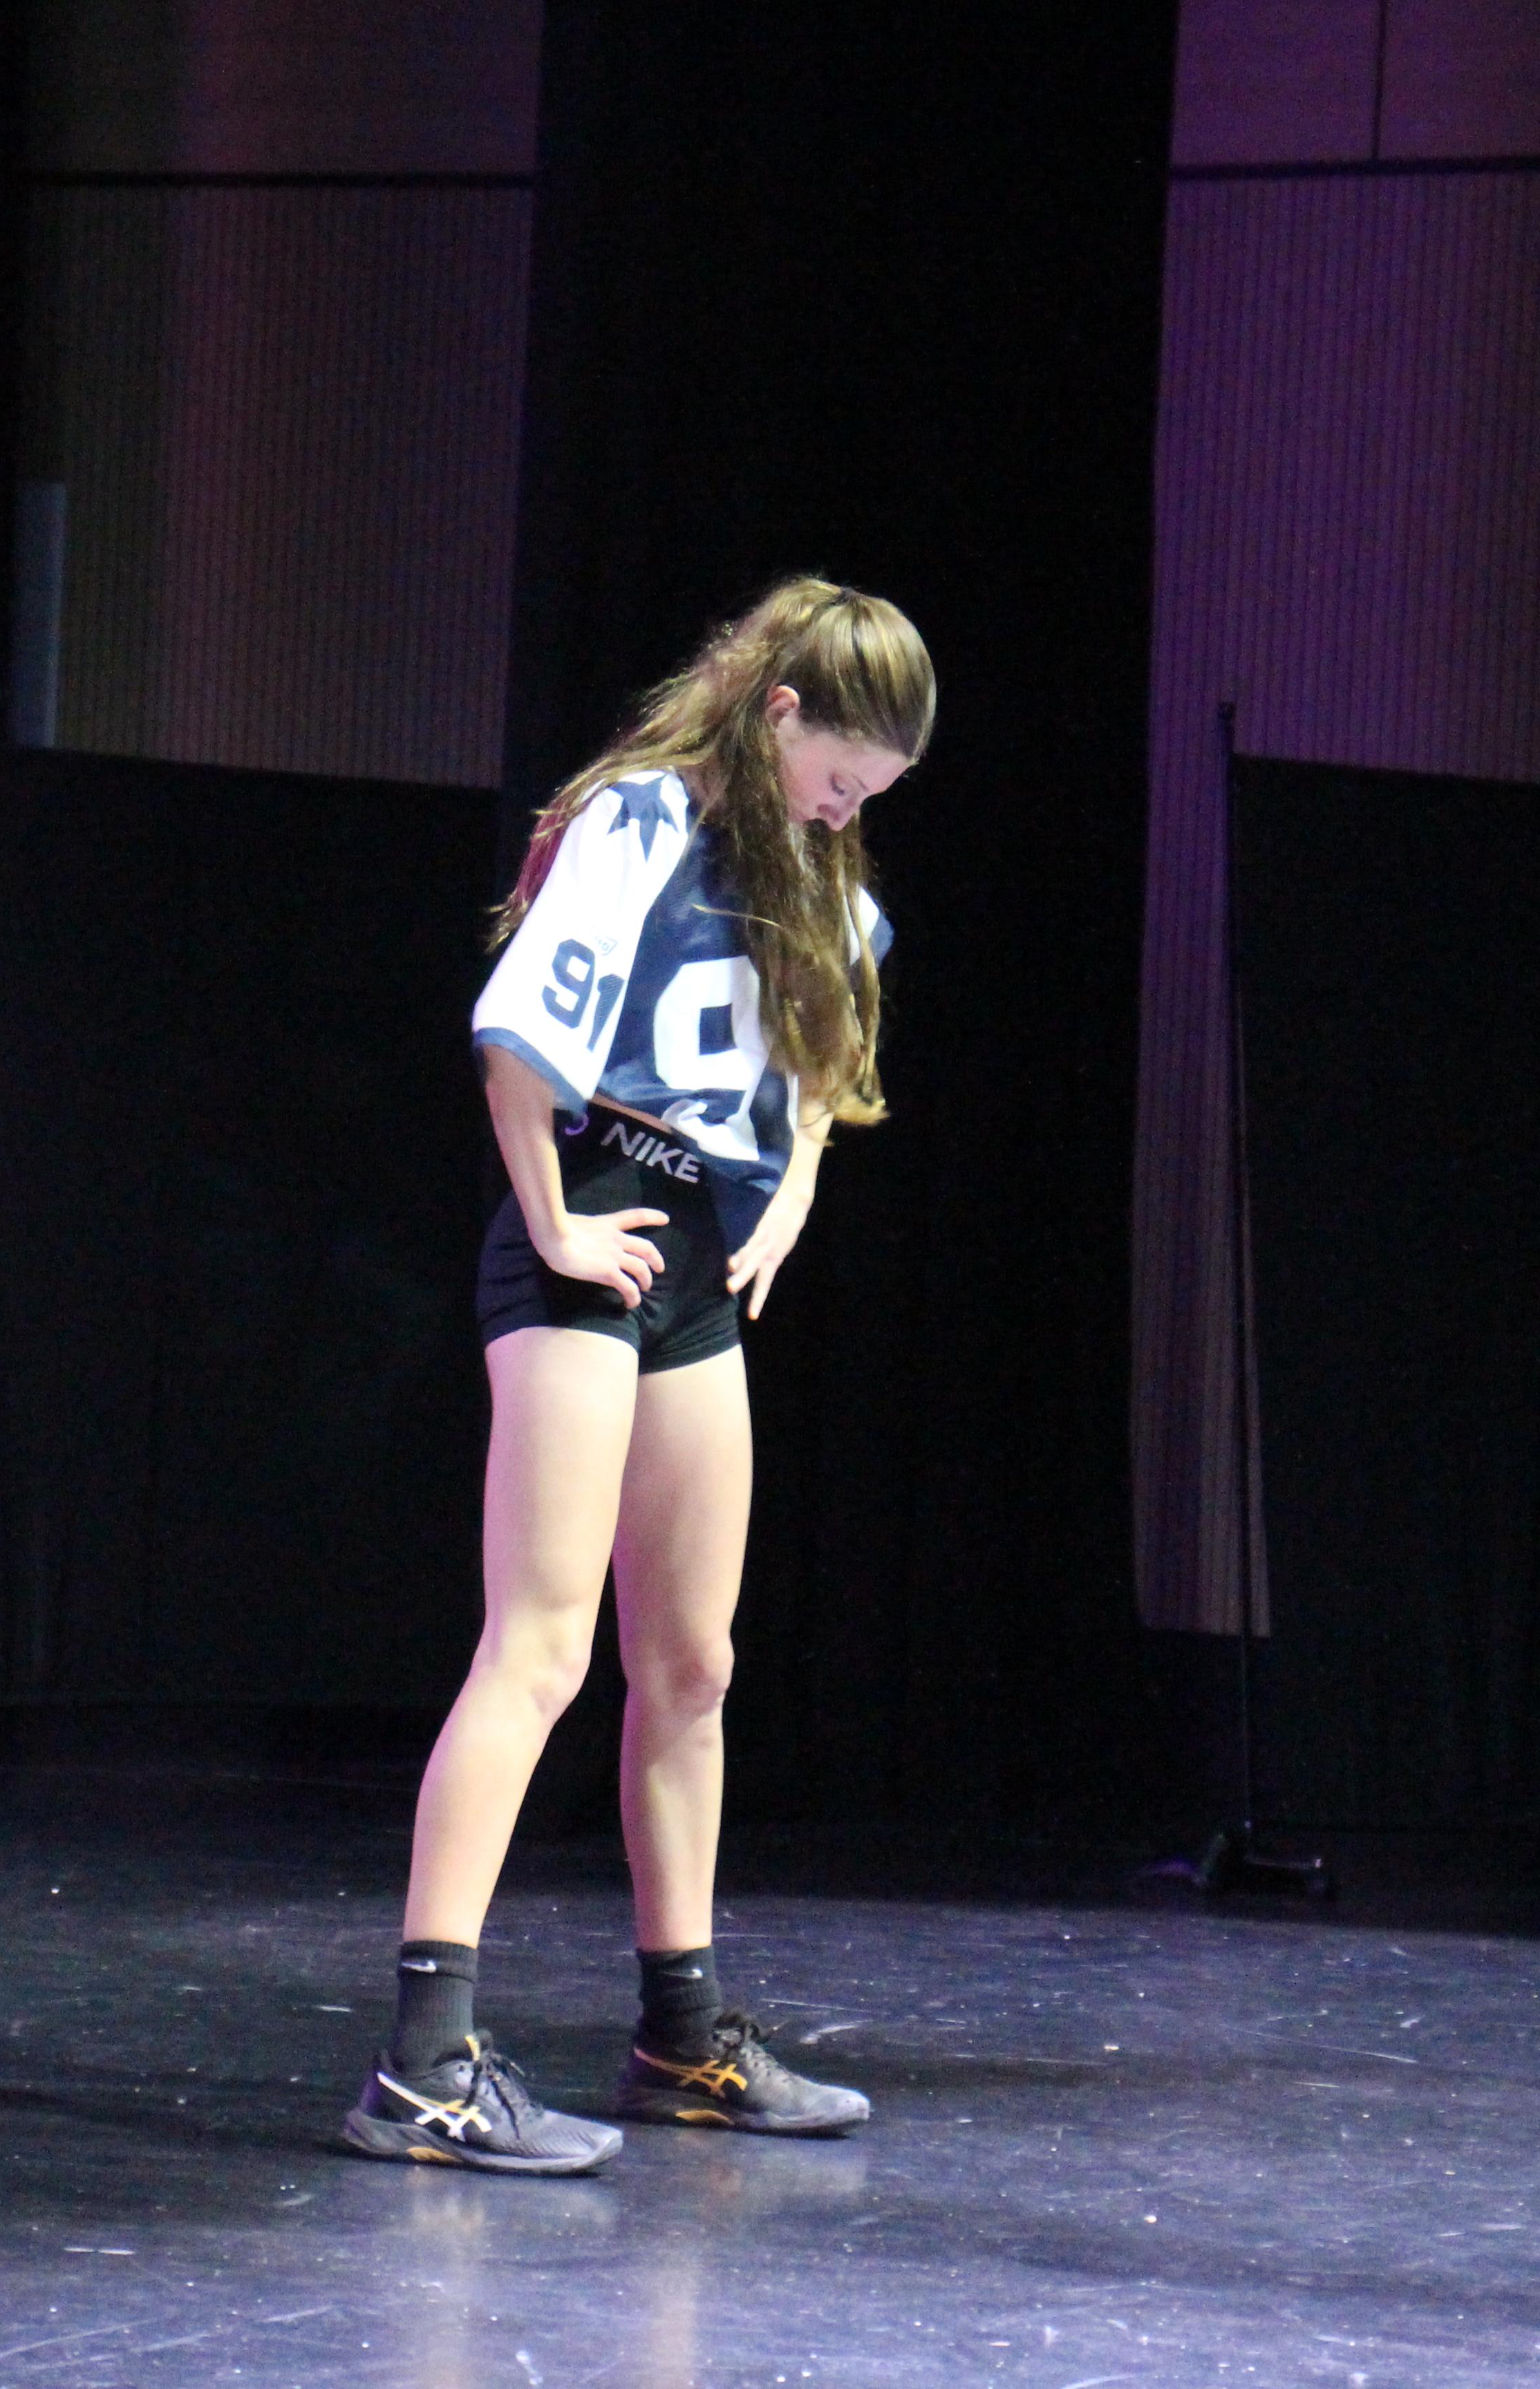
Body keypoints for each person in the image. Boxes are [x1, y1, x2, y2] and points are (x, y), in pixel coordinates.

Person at [341, 578, 933, 2173]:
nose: (850, 810)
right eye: (842, 776)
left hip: (690, 1260)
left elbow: (826, 1056)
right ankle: (423, 2063)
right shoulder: (641, 819)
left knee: (693, 1662)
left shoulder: (810, 863)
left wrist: (788, 1197)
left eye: (874, 795)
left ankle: (682, 2038)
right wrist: (550, 1218)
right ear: (781, 713)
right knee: (541, 1647)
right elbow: (518, 1035)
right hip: (590, 1223)